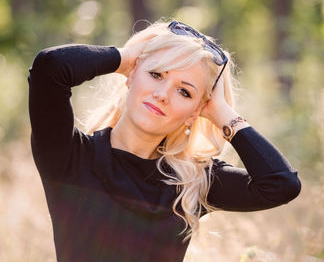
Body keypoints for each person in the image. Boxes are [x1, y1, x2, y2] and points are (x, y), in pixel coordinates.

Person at [28, 19, 301, 262]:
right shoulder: (70, 157)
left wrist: (220, 112)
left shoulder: (191, 182)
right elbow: (50, 68)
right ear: (132, 74)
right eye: (156, 74)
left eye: (184, 92)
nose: (162, 94)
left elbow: (281, 185)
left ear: (195, 111)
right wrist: (125, 58)